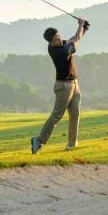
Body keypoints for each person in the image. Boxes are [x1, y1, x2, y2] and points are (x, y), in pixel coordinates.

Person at [31, 18, 86, 154]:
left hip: (74, 84)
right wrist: (80, 25)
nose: (59, 39)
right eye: (56, 38)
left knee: (75, 114)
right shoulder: (59, 51)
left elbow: (74, 38)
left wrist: (84, 27)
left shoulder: (60, 44)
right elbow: (76, 41)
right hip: (64, 87)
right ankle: (39, 141)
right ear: (50, 42)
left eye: (59, 36)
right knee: (57, 116)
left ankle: (72, 144)